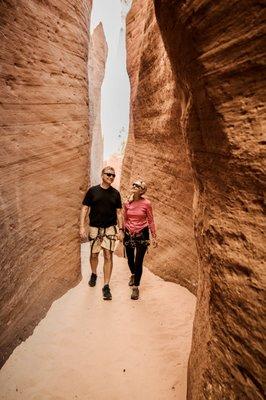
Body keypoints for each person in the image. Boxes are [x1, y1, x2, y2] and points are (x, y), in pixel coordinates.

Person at [79, 166, 124, 300]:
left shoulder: (116, 193)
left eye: (113, 175)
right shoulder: (93, 191)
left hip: (110, 228)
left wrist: (121, 230)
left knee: (108, 256)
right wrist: (82, 226)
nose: (111, 177)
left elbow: (119, 213)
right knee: (94, 254)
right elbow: (85, 208)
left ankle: (106, 285)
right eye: (108, 174)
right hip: (94, 228)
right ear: (102, 175)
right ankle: (93, 274)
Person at [123, 180, 157, 300]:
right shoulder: (127, 202)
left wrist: (154, 236)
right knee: (130, 259)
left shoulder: (147, 203)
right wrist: (124, 231)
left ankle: (136, 287)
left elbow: (151, 220)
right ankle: (133, 274)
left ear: (142, 190)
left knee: (138, 261)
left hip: (142, 234)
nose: (133, 186)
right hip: (129, 233)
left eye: (137, 186)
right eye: (133, 184)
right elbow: (125, 218)